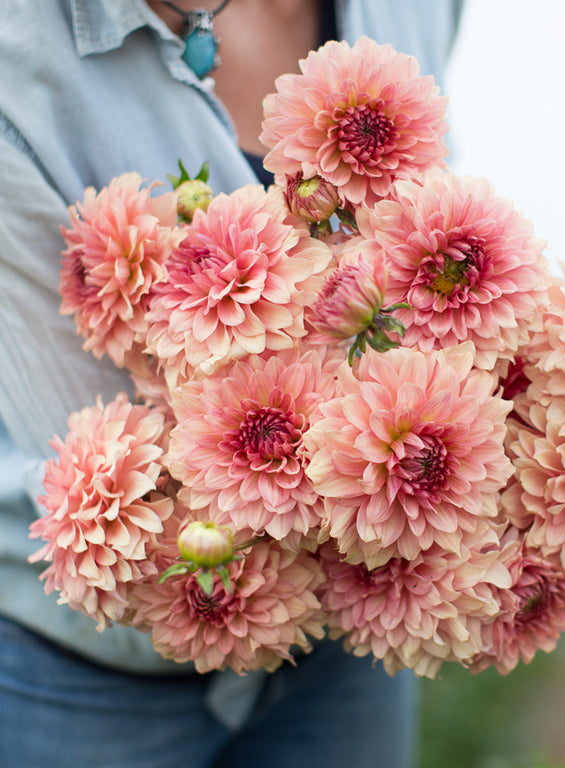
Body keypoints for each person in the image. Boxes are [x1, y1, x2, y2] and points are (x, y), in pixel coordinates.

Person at [0, 1, 464, 765]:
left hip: (344, 644)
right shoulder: (22, 58)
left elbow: (433, 225)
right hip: (81, 678)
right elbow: (95, 464)